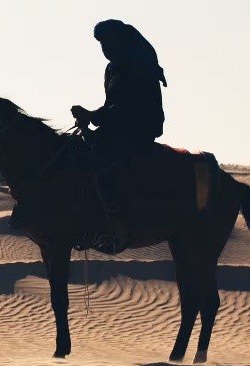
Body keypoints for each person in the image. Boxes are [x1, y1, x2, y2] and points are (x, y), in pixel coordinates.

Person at [71, 19, 167, 254]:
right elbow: (111, 105)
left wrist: (93, 116)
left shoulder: (137, 64)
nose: (104, 49)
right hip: (118, 127)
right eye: (101, 44)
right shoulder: (114, 67)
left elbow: (127, 105)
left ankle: (118, 230)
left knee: (103, 170)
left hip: (138, 128)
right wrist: (91, 117)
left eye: (107, 42)